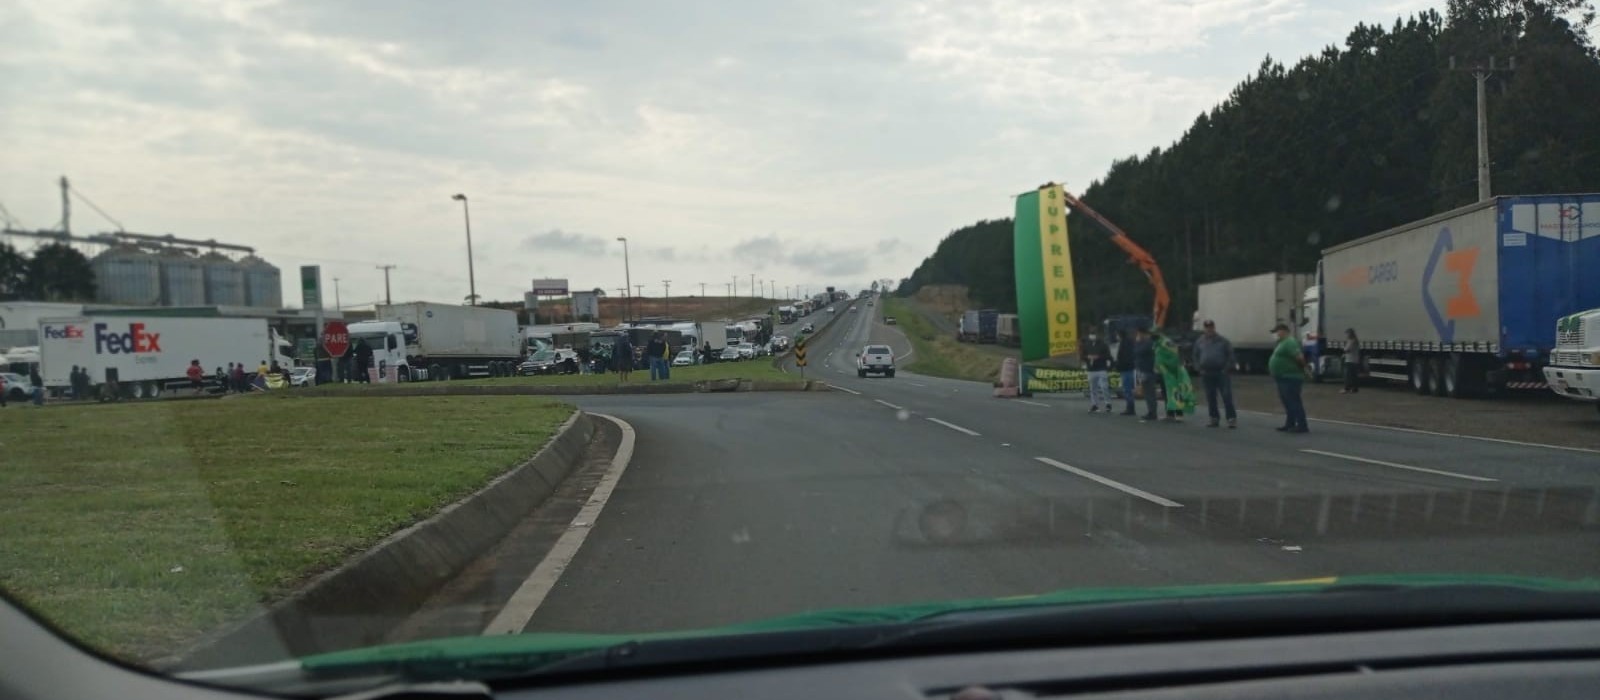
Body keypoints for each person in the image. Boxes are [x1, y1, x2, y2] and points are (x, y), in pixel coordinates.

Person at [1192, 319, 1238, 428]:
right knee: (1210, 396)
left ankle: (1231, 419)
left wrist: (1226, 368)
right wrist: (1198, 368)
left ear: (1214, 327)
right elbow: (1195, 355)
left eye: (1211, 327)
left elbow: (1230, 355)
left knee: (1226, 396)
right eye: (1207, 327)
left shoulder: (1223, 341)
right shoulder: (1199, 341)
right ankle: (1214, 418)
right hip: (1206, 372)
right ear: (1204, 328)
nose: (1209, 329)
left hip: (1221, 372)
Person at [1269, 322, 1310, 433]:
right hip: (1282, 377)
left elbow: (1299, 357)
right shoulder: (1282, 343)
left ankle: (1302, 425)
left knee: (1293, 401)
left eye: (1277, 331)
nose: (1276, 334)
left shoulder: (1290, 342)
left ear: (1283, 331)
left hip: (1291, 377)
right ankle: (1290, 423)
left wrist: (1304, 369)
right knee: (1287, 401)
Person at [1153, 331, 1194, 421]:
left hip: (1171, 371)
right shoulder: (1156, 343)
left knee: (1175, 391)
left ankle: (1179, 413)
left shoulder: (1165, 342)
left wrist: (1171, 368)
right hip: (1163, 371)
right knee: (1166, 393)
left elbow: (1174, 354)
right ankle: (1170, 413)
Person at [1081, 331, 1112, 413]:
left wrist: (1098, 357)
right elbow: (1082, 356)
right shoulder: (1086, 345)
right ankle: (1095, 404)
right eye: (1091, 335)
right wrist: (1087, 357)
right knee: (1093, 388)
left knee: (1104, 386)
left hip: (1101, 368)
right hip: (1091, 369)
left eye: (1094, 334)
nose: (1092, 336)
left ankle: (1108, 403)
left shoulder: (1103, 345)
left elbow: (1108, 355)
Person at [1133, 328, 1159, 421]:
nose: (1138, 336)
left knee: (1150, 392)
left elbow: (1139, 351)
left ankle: (1153, 412)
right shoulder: (1142, 342)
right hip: (1142, 370)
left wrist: (1138, 343)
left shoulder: (1148, 343)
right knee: (1147, 392)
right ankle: (1150, 411)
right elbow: (1135, 352)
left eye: (1139, 334)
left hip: (1148, 370)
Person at [1114, 329, 1137, 415]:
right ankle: (1130, 407)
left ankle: (1130, 408)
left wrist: (1118, 365)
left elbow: (1124, 357)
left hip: (1126, 368)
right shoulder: (1128, 342)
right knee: (1128, 389)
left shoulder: (1125, 344)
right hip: (1128, 368)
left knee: (1127, 389)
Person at [1341, 328, 1361, 394]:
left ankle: (1346, 388)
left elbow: (1347, 350)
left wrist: (1344, 350)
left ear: (1350, 334)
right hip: (1354, 360)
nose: (1346, 335)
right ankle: (1355, 389)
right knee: (1354, 376)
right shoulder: (1355, 340)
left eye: (1347, 333)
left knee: (1348, 376)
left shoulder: (1352, 341)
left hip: (1350, 360)